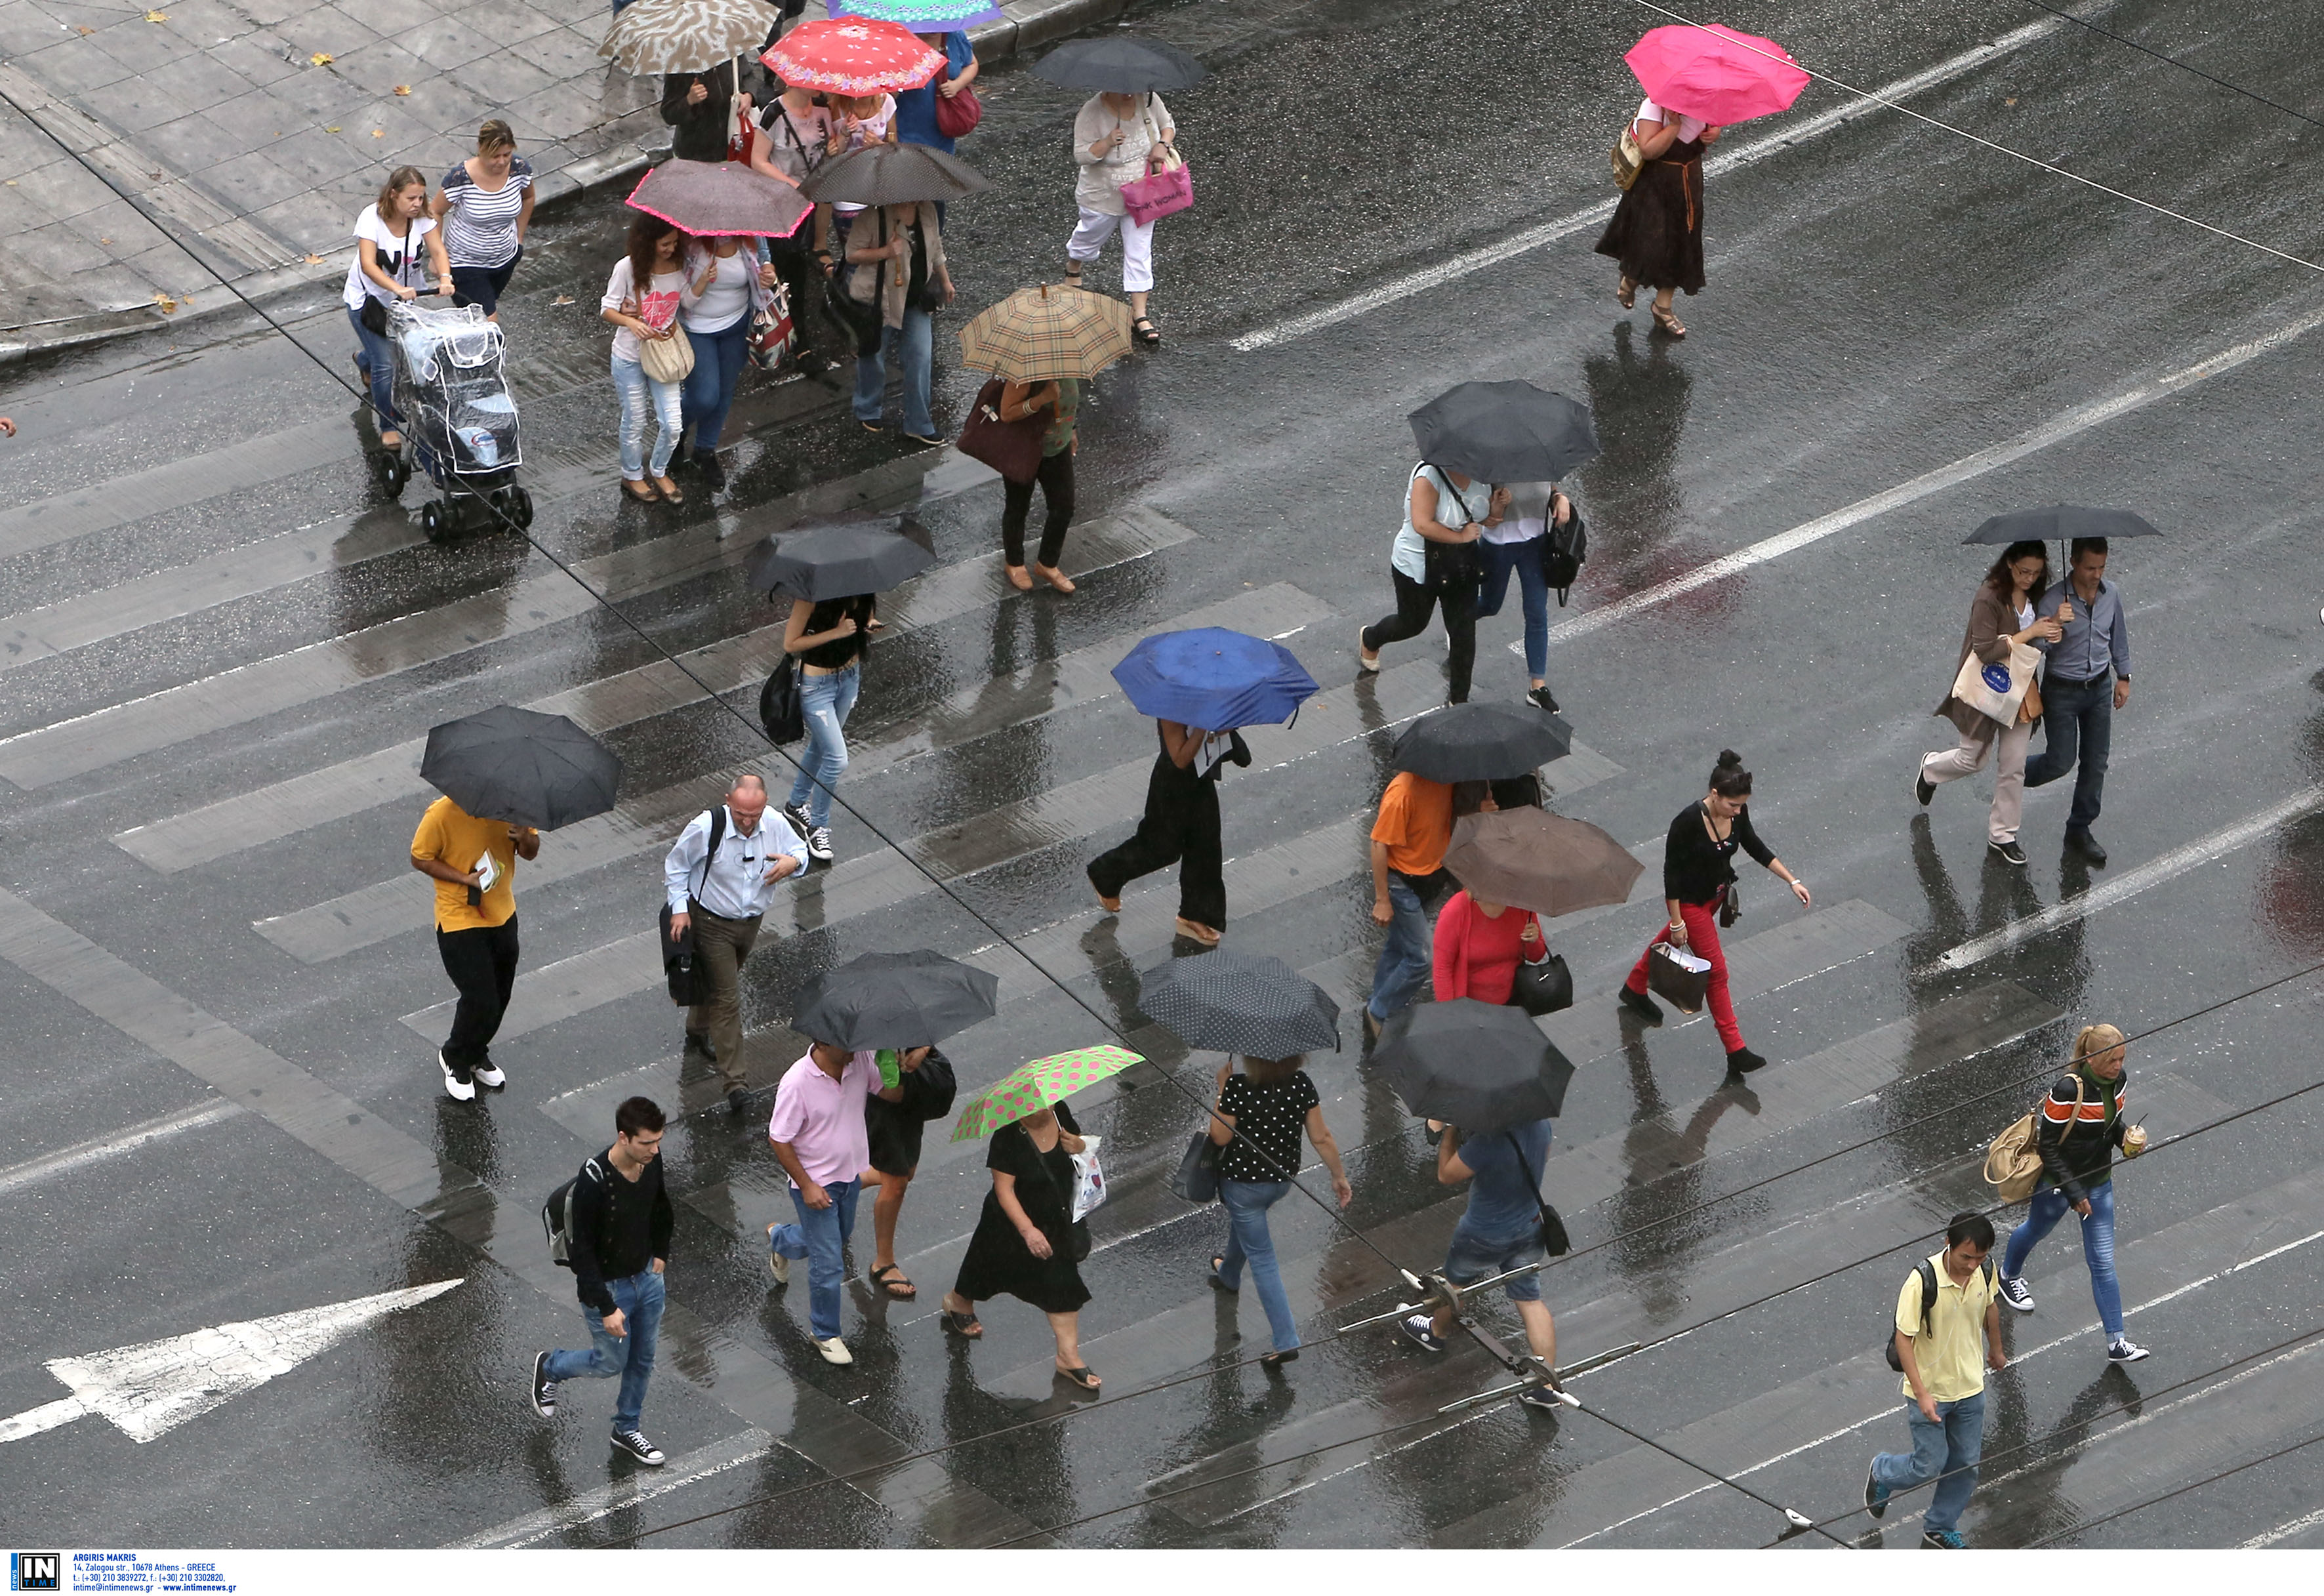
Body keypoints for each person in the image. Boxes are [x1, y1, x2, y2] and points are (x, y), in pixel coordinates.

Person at [1618, 750, 1810, 1075]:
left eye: (1741, 807)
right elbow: (1672, 877)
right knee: (1717, 974)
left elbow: (1754, 845)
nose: (1738, 812)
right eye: (1733, 806)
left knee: (1669, 940)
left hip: (1715, 898)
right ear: (1715, 794)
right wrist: (1679, 920)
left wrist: (1792, 880)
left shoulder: (1737, 812)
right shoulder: (1687, 823)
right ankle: (1735, 1050)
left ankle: (1634, 987)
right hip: (1691, 904)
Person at [531, 1095, 673, 1467]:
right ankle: (550, 1367)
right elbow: (584, 1253)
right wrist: (607, 1306)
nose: (655, 1150)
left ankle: (626, 1428)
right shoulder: (594, 1180)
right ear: (623, 1138)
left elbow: (661, 1206)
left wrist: (661, 1253)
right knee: (610, 1363)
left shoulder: (652, 1162)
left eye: (658, 1141)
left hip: (647, 1278)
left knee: (642, 1359)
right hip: (609, 1290)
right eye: (647, 1142)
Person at [1399, 1118, 1579, 1410]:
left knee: (1452, 1286)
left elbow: (1446, 1174)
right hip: (1530, 1225)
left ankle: (1435, 1333)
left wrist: (1452, 1130)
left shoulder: (1487, 1142)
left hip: (1483, 1233)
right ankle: (1545, 1386)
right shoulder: (1540, 1125)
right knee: (1530, 1300)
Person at [1995, 1024, 2150, 1363]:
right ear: (2093, 1059)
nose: (2119, 1066)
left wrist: (2126, 1138)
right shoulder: (2067, 1089)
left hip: (2098, 1180)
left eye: (2122, 1058)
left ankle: (2117, 1342)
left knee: (2103, 1262)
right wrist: (2073, 1191)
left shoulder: (2119, 1082)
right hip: (2057, 1183)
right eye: (2113, 1059)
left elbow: (2110, 1126)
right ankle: (2008, 1275)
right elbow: (2049, 1147)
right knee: (2036, 1229)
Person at [663, 775, 809, 1114]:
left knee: (716, 987)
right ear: (729, 801)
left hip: (751, 924)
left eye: (754, 815)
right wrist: (680, 911)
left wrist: (794, 862)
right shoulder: (704, 826)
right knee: (727, 999)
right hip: (711, 924)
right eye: (741, 814)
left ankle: (697, 1029)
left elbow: (799, 850)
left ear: (765, 805)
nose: (747, 822)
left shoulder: (773, 822)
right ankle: (736, 1085)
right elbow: (676, 866)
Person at [1916, 540, 2064, 867]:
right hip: (1987, 691)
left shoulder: (2037, 598)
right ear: (2009, 564)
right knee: (1973, 761)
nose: (2029, 578)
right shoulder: (1989, 597)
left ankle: (2003, 835)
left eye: (2036, 573)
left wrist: (2053, 628)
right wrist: (2032, 632)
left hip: (2021, 693)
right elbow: (1985, 650)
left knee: (2013, 766)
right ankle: (1930, 769)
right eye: (2024, 571)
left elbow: (2035, 644)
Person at [1864, 1212, 2007, 1548]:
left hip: (1971, 1387)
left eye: (1981, 1257)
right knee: (1928, 1466)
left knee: (1965, 1465)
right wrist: (1922, 1393)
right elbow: (1904, 1338)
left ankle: (1940, 1526)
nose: (1973, 1265)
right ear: (1948, 1244)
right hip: (1931, 1393)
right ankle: (1882, 1471)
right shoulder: (1922, 1281)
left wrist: (1996, 1349)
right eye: (1966, 1257)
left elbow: (1991, 1307)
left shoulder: (1986, 1271)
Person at [939, 1100, 1099, 1390]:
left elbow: (1080, 1150)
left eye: (1048, 1103)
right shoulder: (1007, 1135)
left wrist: (1078, 1145)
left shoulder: (1060, 1113)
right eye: (1037, 1106)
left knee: (1063, 1283)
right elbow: (1004, 1190)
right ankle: (958, 1301)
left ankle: (1068, 1356)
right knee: (984, 1268)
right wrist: (1028, 1231)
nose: (1046, 1109)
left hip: (1055, 1221)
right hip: (1009, 1225)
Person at [1204, 1055, 1352, 1369]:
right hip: (1280, 1180)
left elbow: (1220, 1137)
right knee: (1247, 1225)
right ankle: (1229, 1273)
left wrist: (1221, 1090)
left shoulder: (1238, 1087)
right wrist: (1338, 1176)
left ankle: (1286, 1340)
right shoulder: (1301, 1085)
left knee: (1263, 1258)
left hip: (1242, 1185)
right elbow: (1321, 1137)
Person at [765, 1040, 901, 1365]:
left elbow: (893, 1096)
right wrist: (807, 1185)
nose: (855, 1047)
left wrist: (892, 1067)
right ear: (824, 1042)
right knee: (829, 1263)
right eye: (846, 1042)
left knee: (835, 1239)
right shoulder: (797, 1082)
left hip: (849, 1177)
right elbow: (778, 1138)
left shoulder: (862, 1059)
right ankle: (824, 1333)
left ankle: (781, 1239)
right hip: (814, 1187)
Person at [409, 793, 539, 1100]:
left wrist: (524, 837)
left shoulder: (515, 807)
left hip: (503, 914)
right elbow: (420, 857)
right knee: (481, 998)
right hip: (459, 919)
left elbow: (530, 852)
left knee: (501, 993)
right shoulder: (442, 813)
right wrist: (464, 879)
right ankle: (455, 1057)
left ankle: (476, 1050)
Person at [1358, 463, 1507, 707]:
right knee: (1412, 624)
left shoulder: (1485, 474)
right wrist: (1460, 537)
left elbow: (1486, 520)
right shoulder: (1429, 476)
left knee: (1463, 634)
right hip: (1418, 564)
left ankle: (1459, 702)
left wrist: (1499, 507)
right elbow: (1422, 524)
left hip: (1462, 565)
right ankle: (1371, 638)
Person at [1087, 718, 1242, 947]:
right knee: (1161, 848)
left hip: (1202, 777)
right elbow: (1179, 759)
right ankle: (1106, 872)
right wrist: (1202, 728)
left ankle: (1195, 915)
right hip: (1172, 786)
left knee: (1206, 846)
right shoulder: (1172, 709)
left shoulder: (1209, 695)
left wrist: (1223, 725)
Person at [2026, 538, 2132, 865]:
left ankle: (2080, 828)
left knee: (2096, 762)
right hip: (2062, 689)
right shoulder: (2053, 600)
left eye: (2101, 567)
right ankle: (2014, 774)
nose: (2096, 574)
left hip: (2099, 687)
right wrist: (2056, 624)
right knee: (2060, 761)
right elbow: (2037, 648)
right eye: (2090, 568)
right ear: (2073, 562)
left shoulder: (2110, 594)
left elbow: (2118, 635)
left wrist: (2124, 677)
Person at [1594, 97, 1722, 338]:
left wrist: (1714, 130)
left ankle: (1662, 306)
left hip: (1687, 183)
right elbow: (1648, 150)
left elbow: (1711, 126)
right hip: (1654, 186)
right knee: (1651, 242)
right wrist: (1673, 126)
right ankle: (1630, 280)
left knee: (1681, 243)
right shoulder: (1654, 106)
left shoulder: (1704, 101)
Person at [344, 167, 451, 451]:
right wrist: (396, 289)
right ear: (394, 195)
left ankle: (364, 359)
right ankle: (387, 425)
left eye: (421, 198)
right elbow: (368, 264)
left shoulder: (422, 218)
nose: (418, 204)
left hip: (404, 303)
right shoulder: (372, 218)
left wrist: (445, 278)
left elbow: (438, 250)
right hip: (369, 302)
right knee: (388, 366)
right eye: (411, 198)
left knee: (395, 352)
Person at [1067, 89, 1175, 349]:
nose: (1130, 93)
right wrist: (1106, 142)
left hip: (1143, 191)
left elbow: (1167, 125)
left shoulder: (1149, 99)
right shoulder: (1091, 111)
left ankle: (1140, 314)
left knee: (1139, 251)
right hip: (1102, 196)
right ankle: (1074, 264)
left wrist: (1163, 145)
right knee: (1090, 237)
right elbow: (1081, 156)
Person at [779, 586, 876, 866]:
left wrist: (868, 625)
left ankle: (795, 805)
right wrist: (836, 632)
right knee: (836, 758)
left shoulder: (864, 585)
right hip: (817, 686)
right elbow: (791, 644)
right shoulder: (810, 595)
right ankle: (817, 827)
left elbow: (865, 618)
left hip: (850, 677)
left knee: (822, 748)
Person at [677, 230, 783, 485]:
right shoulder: (688, 241)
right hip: (697, 329)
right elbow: (673, 284)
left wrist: (768, 272)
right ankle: (674, 433)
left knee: (725, 392)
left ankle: (704, 450)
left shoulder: (750, 233)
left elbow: (764, 257)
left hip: (737, 325)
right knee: (704, 396)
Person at [842, 199, 951, 445]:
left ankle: (919, 424)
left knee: (921, 358)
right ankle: (868, 408)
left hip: (916, 299)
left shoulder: (927, 210)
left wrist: (945, 281)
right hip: (879, 298)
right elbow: (852, 254)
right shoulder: (873, 216)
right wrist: (886, 253)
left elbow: (936, 248)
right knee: (873, 356)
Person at [600, 213, 692, 504]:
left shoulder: (681, 265)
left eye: (674, 243)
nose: (670, 249)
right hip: (629, 357)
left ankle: (659, 469)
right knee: (635, 420)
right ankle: (632, 475)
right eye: (664, 244)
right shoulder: (627, 268)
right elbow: (607, 309)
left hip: (663, 357)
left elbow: (686, 303)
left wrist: (703, 280)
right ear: (648, 242)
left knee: (673, 424)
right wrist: (630, 322)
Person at [750, 79, 840, 374]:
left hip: (811, 204)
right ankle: (783, 338)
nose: (820, 84)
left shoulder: (824, 108)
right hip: (780, 205)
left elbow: (827, 153)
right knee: (783, 270)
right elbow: (758, 160)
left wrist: (837, 146)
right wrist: (792, 184)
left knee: (800, 272)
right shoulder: (774, 113)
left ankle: (801, 341)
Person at [1364, 769, 1456, 1038]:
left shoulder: (1448, 779)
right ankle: (1378, 1011)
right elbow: (1378, 845)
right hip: (1402, 884)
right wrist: (1382, 900)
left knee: (1399, 945)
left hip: (1432, 877)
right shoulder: (1402, 793)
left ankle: (1378, 999)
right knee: (1421, 958)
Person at [1471, 481, 1571, 712]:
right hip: (1498, 546)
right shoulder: (1494, 462)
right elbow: (1477, 512)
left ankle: (1537, 687)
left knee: (1537, 612)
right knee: (1489, 605)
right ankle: (1458, 619)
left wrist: (1560, 498)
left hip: (1535, 546)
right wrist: (1494, 506)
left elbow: (1552, 491)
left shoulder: (1540, 458)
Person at [861, 1044, 943, 1303]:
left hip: (909, 1088)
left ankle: (833, 1187)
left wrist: (922, 1048)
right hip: (880, 1092)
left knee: (905, 1172)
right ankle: (883, 1263)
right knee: (896, 1182)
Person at [432, 121, 533, 319]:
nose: (502, 162)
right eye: (495, 156)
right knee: (488, 321)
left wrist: (519, 239)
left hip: (504, 260)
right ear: (480, 149)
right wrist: (439, 257)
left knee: (476, 315)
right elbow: (435, 211)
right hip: (465, 263)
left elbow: (528, 197)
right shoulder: (461, 177)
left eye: (507, 154)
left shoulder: (519, 169)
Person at [996, 376, 1080, 593]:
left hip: (1057, 448)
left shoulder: (1067, 367)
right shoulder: (1024, 374)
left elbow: (1068, 402)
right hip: (1023, 449)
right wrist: (1042, 398)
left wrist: (1072, 429)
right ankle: (1014, 563)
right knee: (1018, 506)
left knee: (1064, 507)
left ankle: (1047, 564)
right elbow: (1007, 413)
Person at [1434, 884, 1550, 1006]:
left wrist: (1533, 941)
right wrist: (1448, 1013)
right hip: (1468, 1008)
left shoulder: (1522, 905)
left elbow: (1536, 957)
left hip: (1514, 1003)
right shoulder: (1457, 908)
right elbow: (1442, 969)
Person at [893, 30, 978, 155]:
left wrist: (957, 84)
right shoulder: (897, 42)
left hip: (943, 128)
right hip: (907, 128)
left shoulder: (953, 36)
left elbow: (971, 64)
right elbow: (886, 95)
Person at [661, 63, 746, 164]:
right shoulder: (679, 66)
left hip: (733, 146)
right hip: (696, 155)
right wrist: (689, 100)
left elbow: (747, 76)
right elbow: (669, 114)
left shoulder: (730, 52)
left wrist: (748, 94)